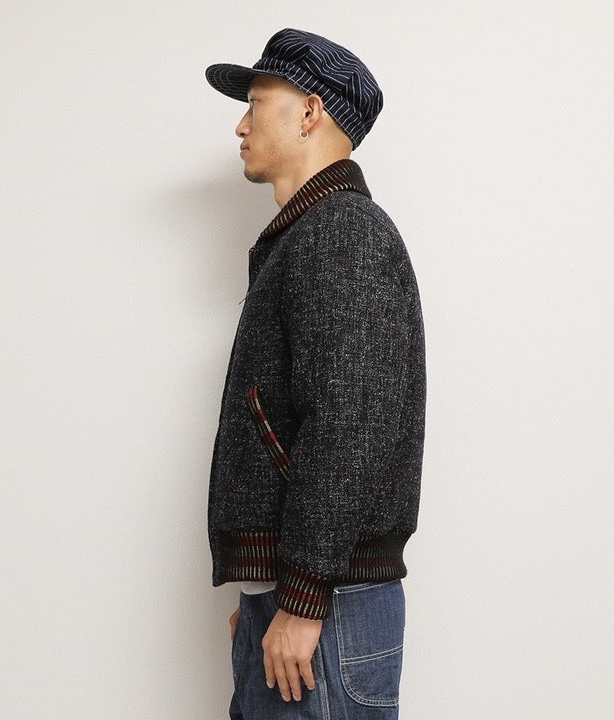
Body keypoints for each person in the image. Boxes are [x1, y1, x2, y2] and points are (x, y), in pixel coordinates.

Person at [205, 28, 426, 720]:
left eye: (256, 102)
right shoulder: (311, 235)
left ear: (309, 112)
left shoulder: (342, 233)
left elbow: (348, 425)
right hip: (301, 602)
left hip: (325, 608)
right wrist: (262, 593)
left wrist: (300, 599)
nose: (241, 125)